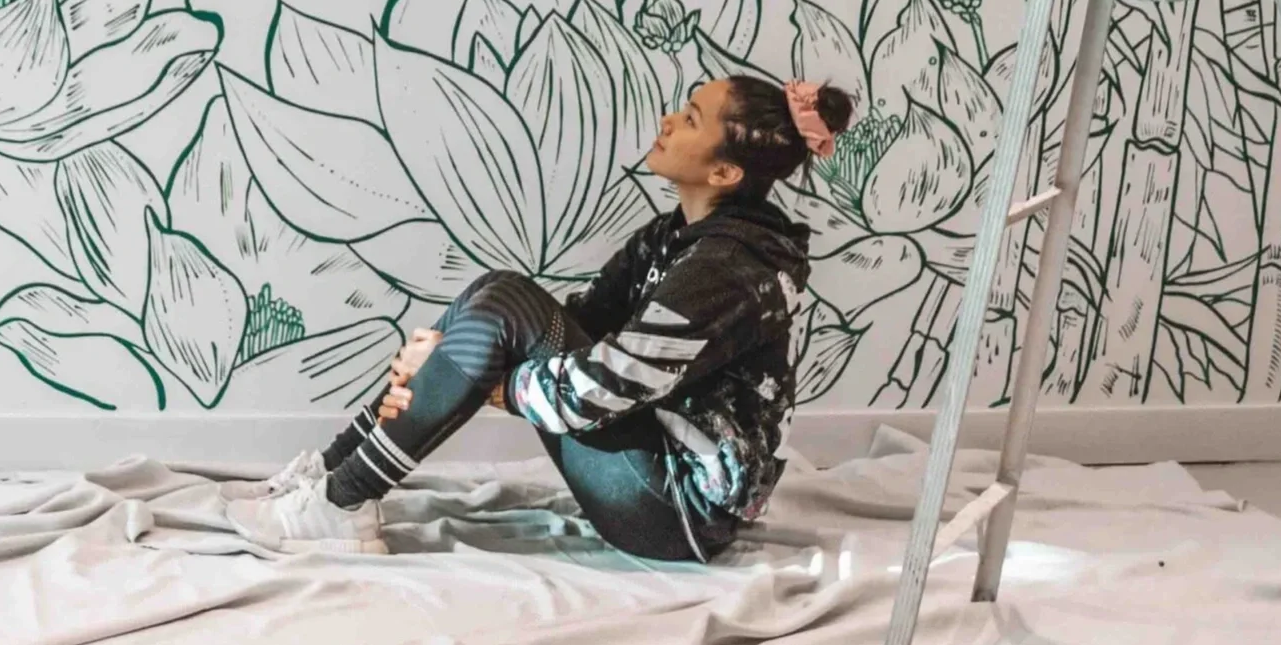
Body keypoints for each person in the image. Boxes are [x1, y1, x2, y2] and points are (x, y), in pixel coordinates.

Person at [223, 74, 855, 559]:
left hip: (679, 513)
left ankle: (341, 504)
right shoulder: (675, 236)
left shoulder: (728, 268)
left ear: (723, 169)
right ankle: (333, 477)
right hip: (651, 464)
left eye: (690, 119)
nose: (668, 121)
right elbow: (573, 320)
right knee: (495, 295)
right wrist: (453, 349)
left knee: (500, 304)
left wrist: (485, 380)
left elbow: (597, 393)